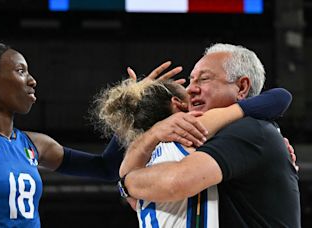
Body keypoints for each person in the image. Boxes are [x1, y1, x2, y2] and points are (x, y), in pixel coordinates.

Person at [0, 41, 211, 228]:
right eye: (21, 71)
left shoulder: (34, 144)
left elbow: (107, 168)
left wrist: (132, 110)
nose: (32, 80)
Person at [118, 43, 301, 227]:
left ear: (242, 87)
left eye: (204, 79)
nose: (190, 89)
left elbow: (177, 182)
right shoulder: (200, 141)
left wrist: (126, 184)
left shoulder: (251, 130)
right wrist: (155, 133)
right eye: (191, 81)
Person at [93, 77, 292, 227]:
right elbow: (280, 98)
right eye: (187, 93)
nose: (193, 91)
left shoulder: (139, 171)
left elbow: (124, 178)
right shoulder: (196, 128)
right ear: (178, 104)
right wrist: (273, 140)